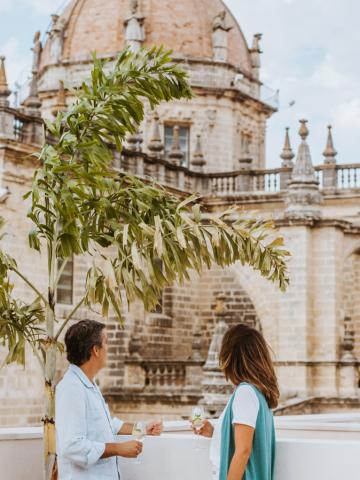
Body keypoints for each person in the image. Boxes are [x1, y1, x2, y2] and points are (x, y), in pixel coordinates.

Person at [56, 319, 163, 479]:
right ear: (96, 350)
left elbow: (106, 425)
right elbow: (72, 446)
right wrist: (118, 449)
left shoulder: (89, 384)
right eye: (106, 343)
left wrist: (142, 428)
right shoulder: (71, 388)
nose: (109, 349)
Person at [194, 324, 279, 480]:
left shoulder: (245, 393)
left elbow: (243, 451)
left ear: (231, 356)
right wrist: (214, 432)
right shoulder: (259, 393)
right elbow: (246, 439)